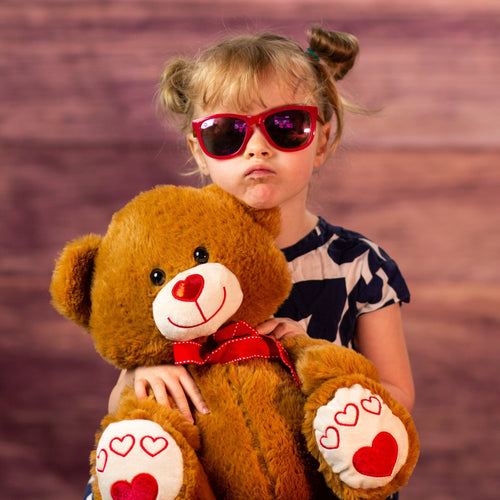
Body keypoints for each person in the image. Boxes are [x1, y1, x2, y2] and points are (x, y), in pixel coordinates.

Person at [84, 26, 414, 500]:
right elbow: (118, 400)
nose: (258, 148)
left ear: (321, 141)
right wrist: (137, 379)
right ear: (200, 151)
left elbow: (398, 394)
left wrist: (321, 369)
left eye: (286, 126)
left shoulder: (361, 266)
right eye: (226, 133)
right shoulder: (166, 258)